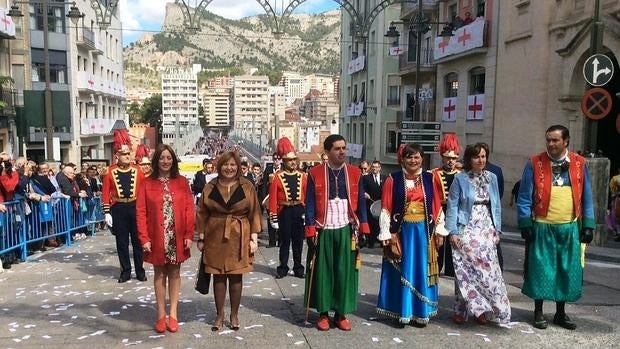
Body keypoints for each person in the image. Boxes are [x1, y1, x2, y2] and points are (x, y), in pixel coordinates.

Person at [517, 125, 595, 330]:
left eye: (555, 140)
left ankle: (560, 313)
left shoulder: (579, 163)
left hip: (569, 227)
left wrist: (588, 225)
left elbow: (587, 196)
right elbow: (524, 196)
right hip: (543, 226)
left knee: (566, 270)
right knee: (541, 270)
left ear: (566, 141)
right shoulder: (534, 163)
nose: (550, 144)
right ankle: (538, 312)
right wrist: (525, 223)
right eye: (548, 140)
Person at [304, 134, 370, 331]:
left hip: (346, 229)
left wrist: (364, 228)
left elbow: (362, 205)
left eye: (344, 148)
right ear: (327, 152)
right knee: (323, 272)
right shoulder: (314, 173)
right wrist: (309, 231)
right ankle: (323, 314)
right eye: (337, 148)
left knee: (344, 272)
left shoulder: (355, 173)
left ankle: (341, 314)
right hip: (323, 228)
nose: (342, 152)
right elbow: (309, 204)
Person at [376, 143, 446, 327]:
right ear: (402, 159)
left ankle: (421, 311)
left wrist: (439, 231)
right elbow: (386, 207)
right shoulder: (393, 179)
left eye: (416, 157)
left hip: (424, 232)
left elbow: (436, 206)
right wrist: (387, 233)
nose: (413, 160)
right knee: (403, 268)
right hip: (402, 232)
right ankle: (403, 311)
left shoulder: (430, 179)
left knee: (421, 270)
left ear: (422, 158)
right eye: (409, 157)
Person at [196, 151, 262, 332]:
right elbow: (201, 212)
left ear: (238, 167)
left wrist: (253, 239)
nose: (229, 168)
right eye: (225, 164)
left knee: (235, 276)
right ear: (219, 166)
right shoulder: (210, 186)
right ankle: (219, 314)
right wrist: (201, 237)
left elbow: (254, 213)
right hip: (215, 235)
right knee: (218, 276)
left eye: (233, 165)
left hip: (239, 235)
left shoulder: (247, 186)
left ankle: (234, 314)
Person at [446, 143, 511, 325]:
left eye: (483, 156)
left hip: (485, 227)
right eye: (476, 157)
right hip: (465, 226)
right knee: (464, 271)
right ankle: (461, 309)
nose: (480, 160)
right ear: (469, 159)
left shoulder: (492, 177)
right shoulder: (460, 179)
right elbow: (452, 206)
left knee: (487, 271)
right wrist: (452, 232)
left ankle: (483, 310)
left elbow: (496, 205)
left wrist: (497, 230)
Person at [137, 144, 195, 333]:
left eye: (169, 158)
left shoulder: (182, 182)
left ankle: (174, 313)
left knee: (175, 273)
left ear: (173, 160)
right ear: (156, 161)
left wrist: (188, 234)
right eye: (162, 158)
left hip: (176, 236)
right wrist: (144, 238)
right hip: (156, 235)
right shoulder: (146, 183)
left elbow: (189, 209)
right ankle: (161, 315)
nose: (165, 161)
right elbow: (141, 212)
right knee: (160, 274)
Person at [102, 143, 146, 283]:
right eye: (124, 154)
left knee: (138, 242)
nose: (127, 156)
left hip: (135, 206)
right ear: (117, 156)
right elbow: (105, 192)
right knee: (121, 242)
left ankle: (140, 271)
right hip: (118, 208)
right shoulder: (110, 171)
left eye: (128, 153)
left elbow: (144, 191)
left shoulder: (138, 170)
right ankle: (125, 271)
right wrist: (107, 212)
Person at [268, 137, 307, 279]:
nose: (293, 162)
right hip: (284, 212)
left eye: (294, 160)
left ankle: (298, 268)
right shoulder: (277, 177)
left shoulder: (303, 176)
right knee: (284, 242)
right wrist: (273, 216)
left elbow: (307, 196)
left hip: (299, 211)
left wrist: (308, 214)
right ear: (284, 161)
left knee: (298, 242)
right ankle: (282, 268)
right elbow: (272, 199)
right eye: (290, 160)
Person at [430, 133, 461, 277]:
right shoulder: (433, 174)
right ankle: (437, 266)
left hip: (455, 211)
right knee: (439, 240)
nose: (450, 161)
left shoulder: (461, 175)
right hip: (440, 210)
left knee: (452, 241)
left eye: (453, 158)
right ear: (442, 157)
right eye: (448, 158)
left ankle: (451, 269)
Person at [362, 160, 386, 248]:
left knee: (381, 223)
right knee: (371, 223)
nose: (374, 168)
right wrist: (364, 193)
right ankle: (371, 242)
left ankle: (381, 241)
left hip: (381, 204)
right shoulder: (366, 178)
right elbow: (362, 188)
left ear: (380, 168)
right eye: (373, 167)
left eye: (376, 167)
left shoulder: (385, 178)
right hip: (370, 203)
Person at [261, 153, 282, 248]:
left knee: (281, 219)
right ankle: (272, 241)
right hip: (270, 198)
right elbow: (264, 184)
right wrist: (264, 198)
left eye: (278, 159)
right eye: (275, 159)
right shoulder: (268, 169)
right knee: (271, 219)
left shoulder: (283, 169)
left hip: (281, 199)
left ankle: (280, 241)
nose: (276, 160)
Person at [609, 168, 620, 241]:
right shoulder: (615, 178)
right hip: (617, 198)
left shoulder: (615, 178)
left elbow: (612, 189)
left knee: (617, 217)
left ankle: (618, 232)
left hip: (618, 198)